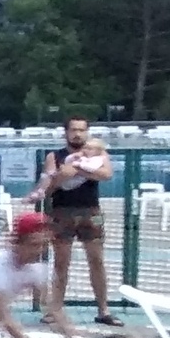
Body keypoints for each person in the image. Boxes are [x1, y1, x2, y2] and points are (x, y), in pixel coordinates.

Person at [36, 116, 118, 323]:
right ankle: (55, 310)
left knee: (97, 260)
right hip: (62, 211)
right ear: (66, 132)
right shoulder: (55, 156)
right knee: (61, 263)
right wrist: (65, 175)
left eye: (82, 130)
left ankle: (103, 310)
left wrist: (77, 170)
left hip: (90, 211)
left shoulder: (98, 153)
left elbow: (106, 174)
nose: (77, 134)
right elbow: (49, 185)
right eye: (74, 130)